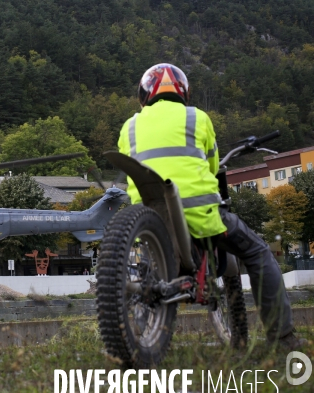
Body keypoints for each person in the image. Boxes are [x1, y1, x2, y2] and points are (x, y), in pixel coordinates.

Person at [117, 63, 303, 349]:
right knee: (258, 252)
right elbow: (213, 165)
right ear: (183, 91)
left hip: (149, 221)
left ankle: (138, 334)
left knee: (146, 267)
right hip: (200, 214)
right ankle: (284, 339)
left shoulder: (129, 126)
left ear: (144, 94)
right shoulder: (197, 118)